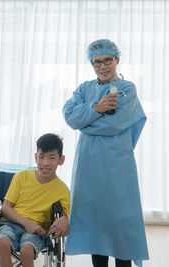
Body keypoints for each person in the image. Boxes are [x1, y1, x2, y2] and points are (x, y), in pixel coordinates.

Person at [62, 39, 149, 267]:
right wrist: (96, 108)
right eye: (96, 62)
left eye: (107, 60)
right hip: (88, 166)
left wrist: (85, 121)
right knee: (94, 222)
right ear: (91, 64)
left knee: (120, 222)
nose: (102, 66)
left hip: (117, 165)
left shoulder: (127, 89)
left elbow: (115, 124)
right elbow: (70, 117)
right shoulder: (84, 89)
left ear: (117, 60)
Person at [0, 133, 70, 267]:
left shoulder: (62, 190)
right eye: (41, 157)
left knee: (27, 250)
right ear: (36, 157)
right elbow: (5, 208)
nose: (45, 162)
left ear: (61, 160)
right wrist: (26, 222)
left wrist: (64, 220)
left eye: (51, 157)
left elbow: (66, 225)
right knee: (2, 243)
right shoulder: (21, 177)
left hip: (38, 229)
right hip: (11, 223)